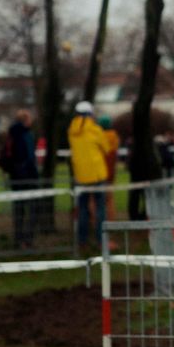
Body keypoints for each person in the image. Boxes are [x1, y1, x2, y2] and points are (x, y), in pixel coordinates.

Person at [68, 100, 110, 251]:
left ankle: (82, 242)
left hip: (80, 176)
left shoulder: (72, 130)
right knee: (100, 209)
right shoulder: (95, 129)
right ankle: (101, 241)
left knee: (83, 209)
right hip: (97, 174)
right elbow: (106, 147)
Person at [2, 108, 40, 249]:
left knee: (18, 210)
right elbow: (30, 157)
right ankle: (27, 240)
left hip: (15, 177)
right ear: (25, 121)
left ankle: (18, 240)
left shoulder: (11, 134)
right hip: (28, 177)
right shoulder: (26, 135)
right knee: (33, 209)